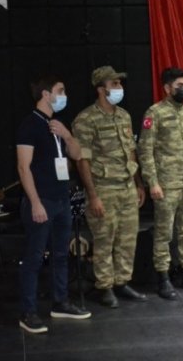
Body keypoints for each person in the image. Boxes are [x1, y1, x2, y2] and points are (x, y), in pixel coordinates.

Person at [16, 74, 91, 333]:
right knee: (34, 258)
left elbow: (77, 155)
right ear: (46, 95)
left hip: (61, 199)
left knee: (61, 254)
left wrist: (67, 135)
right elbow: (23, 167)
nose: (64, 95)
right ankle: (28, 311)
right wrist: (35, 203)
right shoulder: (30, 124)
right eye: (60, 91)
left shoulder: (58, 124)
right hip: (42, 200)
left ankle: (60, 302)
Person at [72, 66, 148, 308]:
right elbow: (82, 160)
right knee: (104, 239)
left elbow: (131, 151)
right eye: (114, 84)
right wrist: (92, 195)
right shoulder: (86, 119)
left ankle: (122, 282)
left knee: (128, 238)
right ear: (100, 89)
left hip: (126, 186)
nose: (119, 88)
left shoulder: (124, 116)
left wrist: (138, 183)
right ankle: (104, 286)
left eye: (120, 84)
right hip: (102, 188)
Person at [137, 67, 183, 299]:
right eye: (179, 86)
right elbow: (145, 150)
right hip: (167, 184)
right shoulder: (155, 113)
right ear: (167, 88)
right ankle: (163, 277)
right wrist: (152, 182)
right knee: (164, 233)